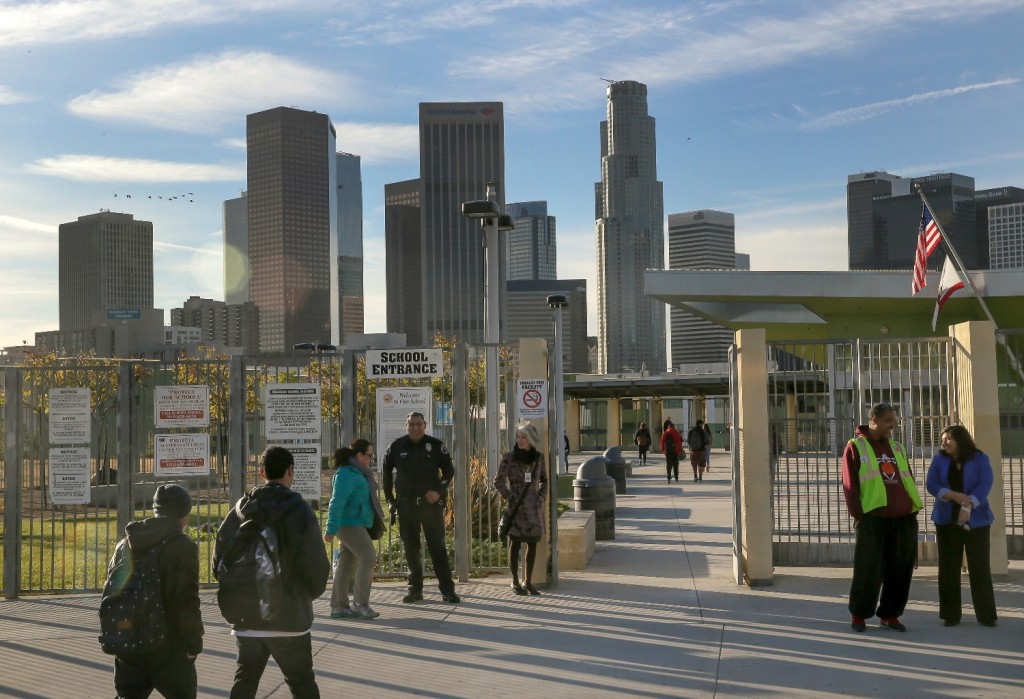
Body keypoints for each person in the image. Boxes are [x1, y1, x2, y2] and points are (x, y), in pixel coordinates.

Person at [214, 446, 331, 699]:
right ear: (290, 471)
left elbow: (219, 561)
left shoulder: (240, 510)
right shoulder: (300, 510)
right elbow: (316, 567)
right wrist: (303, 596)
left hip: (246, 617)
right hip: (289, 616)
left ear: (261, 471)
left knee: (244, 680)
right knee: (301, 683)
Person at [108, 484, 204, 699]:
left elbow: (113, 590)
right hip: (169, 647)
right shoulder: (183, 546)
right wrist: (193, 643)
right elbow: (186, 601)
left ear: (155, 510)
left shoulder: (126, 543)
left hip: (129, 642)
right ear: (184, 514)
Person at [842, 403, 922, 633]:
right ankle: (859, 615)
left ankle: (890, 614)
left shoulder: (896, 447)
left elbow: (907, 477)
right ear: (874, 420)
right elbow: (850, 485)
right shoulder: (856, 446)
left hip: (903, 518)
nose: (893, 424)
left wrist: (911, 508)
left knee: (900, 570)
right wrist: (858, 515)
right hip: (873, 519)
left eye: (894, 419)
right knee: (868, 569)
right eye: (888, 420)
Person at [382, 412, 460, 604]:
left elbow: (449, 471)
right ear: (406, 425)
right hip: (407, 505)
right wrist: (391, 500)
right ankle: (415, 589)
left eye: (419, 424)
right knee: (411, 549)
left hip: (430, 506)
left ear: (425, 425)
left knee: (437, 548)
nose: (415, 428)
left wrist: (439, 491)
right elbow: (385, 474)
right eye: (411, 424)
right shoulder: (396, 447)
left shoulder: (435, 446)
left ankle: (448, 591)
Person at [926, 425, 998, 627]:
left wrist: (968, 504)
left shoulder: (979, 458)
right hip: (946, 520)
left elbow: (986, 483)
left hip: (977, 521)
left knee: (979, 567)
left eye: (948, 438)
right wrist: (951, 495)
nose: (944, 442)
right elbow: (931, 483)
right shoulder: (940, 459)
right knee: (948, 568)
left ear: (961, 439)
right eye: (942, 439)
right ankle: (950, 615)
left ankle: (986, 615)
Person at [325, 439, 384, 620]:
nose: (371, 458)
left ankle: (339, 606)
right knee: (368, 557)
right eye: (369, 455)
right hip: (349, 523)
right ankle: (360, 604)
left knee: (346, 563)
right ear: (359, 456)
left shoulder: (358, 473)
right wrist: (331, 528)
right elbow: (336, 502)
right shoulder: (346, 474)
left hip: (356, 522)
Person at [494, 422, 548, 596]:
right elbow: (498, 482)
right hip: (516, 508)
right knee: (515, 543)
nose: (520, 440)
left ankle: (528, 581)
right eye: (518, 436)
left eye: (524, 437)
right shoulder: (509, 457)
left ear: (531, 439)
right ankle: (515, 581)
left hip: (533, 508)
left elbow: (545, 480)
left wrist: (540, 497)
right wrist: (511, 497)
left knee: (532, 544)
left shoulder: (538, 457)